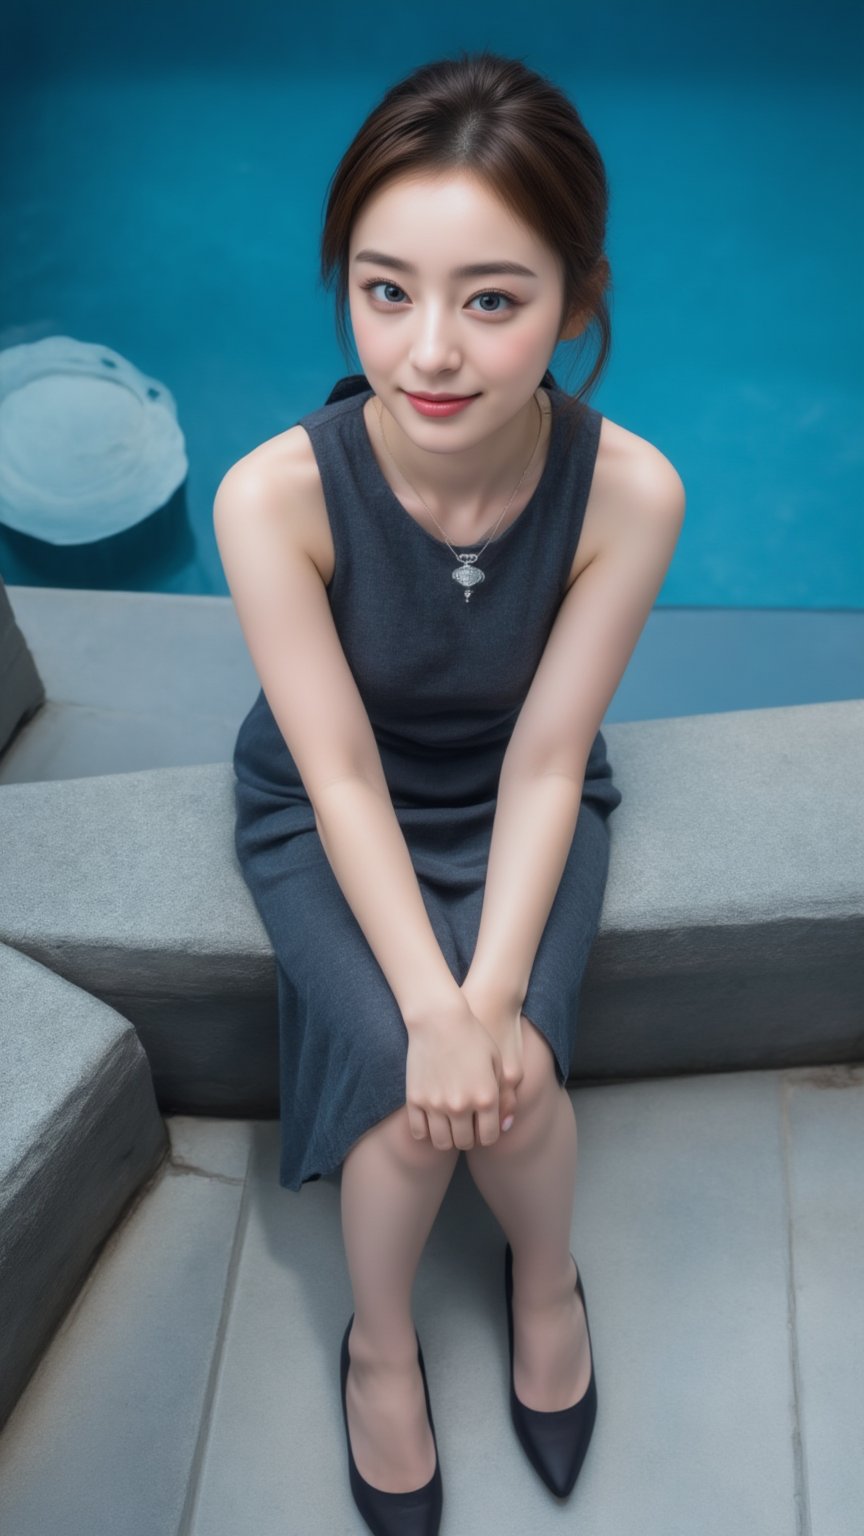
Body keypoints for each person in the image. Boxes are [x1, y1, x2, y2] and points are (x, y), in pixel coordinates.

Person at [214, 49, 685, 1535]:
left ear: (578, 296)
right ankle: (380, 1347)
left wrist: (492, 1003)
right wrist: (434, 1005)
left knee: (520, 1078)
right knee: (418, 1116)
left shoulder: (632, 491)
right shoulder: (272, 495)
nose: (430, 351)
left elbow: (550, 756)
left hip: (520, 798)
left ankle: (546, 1288)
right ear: (345, 285)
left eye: (493, 298)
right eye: (384, 289)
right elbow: (338, 764)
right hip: (324, 803)